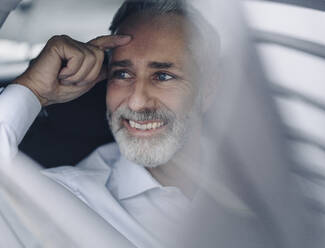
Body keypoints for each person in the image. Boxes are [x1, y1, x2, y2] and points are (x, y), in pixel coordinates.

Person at [0, 0, 220, 247]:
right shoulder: (68, 199)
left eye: (162, 76)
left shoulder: (260, 173)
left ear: (208, 90)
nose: (136, 103)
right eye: (122, 74)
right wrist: (33, 91)